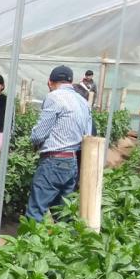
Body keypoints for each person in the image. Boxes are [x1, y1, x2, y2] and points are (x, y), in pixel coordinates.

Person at [25, 65, 92, 222]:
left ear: (50, 82)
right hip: (72, 161)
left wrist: (34, 141)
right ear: (71, 81)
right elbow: (87, 134)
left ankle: (27, 245)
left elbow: (39, 134)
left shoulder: (54, 97)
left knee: (36, 210)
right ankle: (65, 244)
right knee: (63, 212)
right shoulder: (83, 101)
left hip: (53, 161)